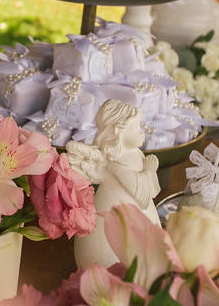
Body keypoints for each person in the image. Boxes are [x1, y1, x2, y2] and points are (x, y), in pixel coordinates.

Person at [67, 99, 161, 268]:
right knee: (108, 252)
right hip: (116, 214)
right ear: (119, 132)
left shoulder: (136, 154)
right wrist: (148, 170)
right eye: (136, 128)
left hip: (140, 215)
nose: (142, 132)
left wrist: (150, 171)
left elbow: (150, 193)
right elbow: (139, 193)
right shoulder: (116, 160)